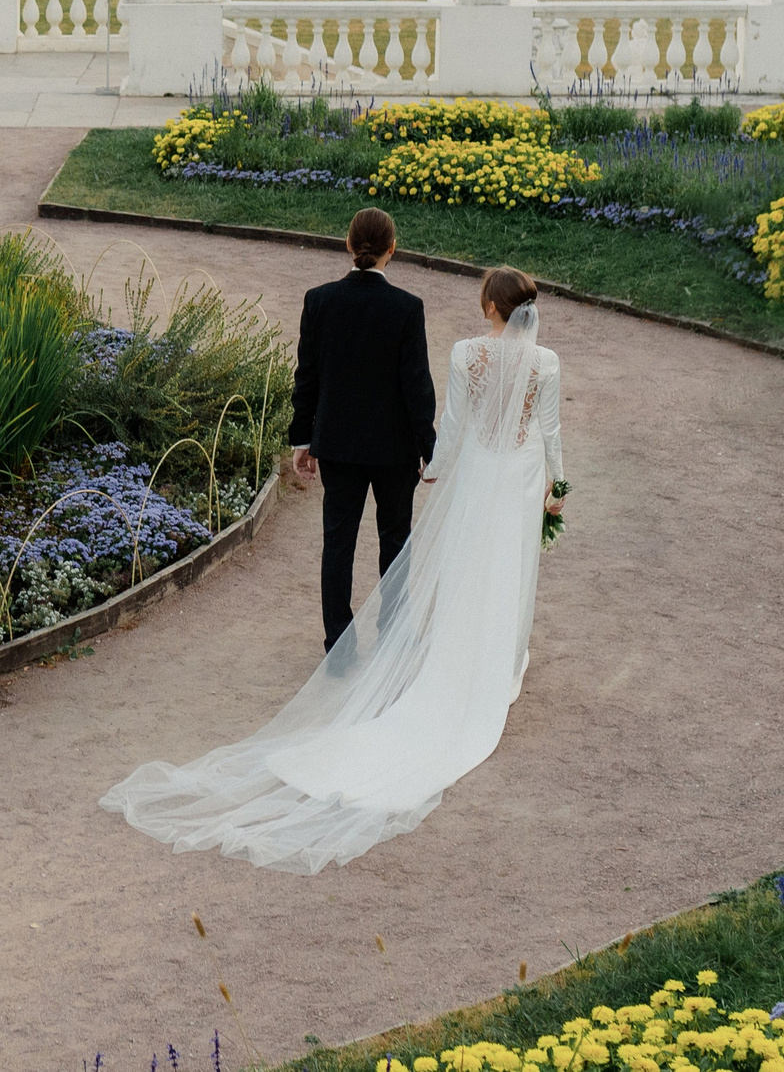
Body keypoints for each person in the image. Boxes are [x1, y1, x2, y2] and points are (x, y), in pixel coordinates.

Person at [101, 261, 565, 875]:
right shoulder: (548, 363)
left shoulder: (464, 353)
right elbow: (550, 427)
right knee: (507, 566)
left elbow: (451, 425)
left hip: (480, 474)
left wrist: (436, 469)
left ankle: (451, 657)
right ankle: (497, 661)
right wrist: (557, 483)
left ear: (489, 308)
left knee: (462, 565)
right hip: (520, 473)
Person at [292, 206, 436, 661]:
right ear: (393, 249)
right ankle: (392, 639)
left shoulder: (319, 300)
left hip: (336, 445)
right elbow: (417, 385)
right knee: (395, 542)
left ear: (348, 244)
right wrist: (429, 448)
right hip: (395, 451)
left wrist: (302, 439)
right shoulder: (407, 308)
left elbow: (307, 376)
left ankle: (339, 646)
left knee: (338, 542)